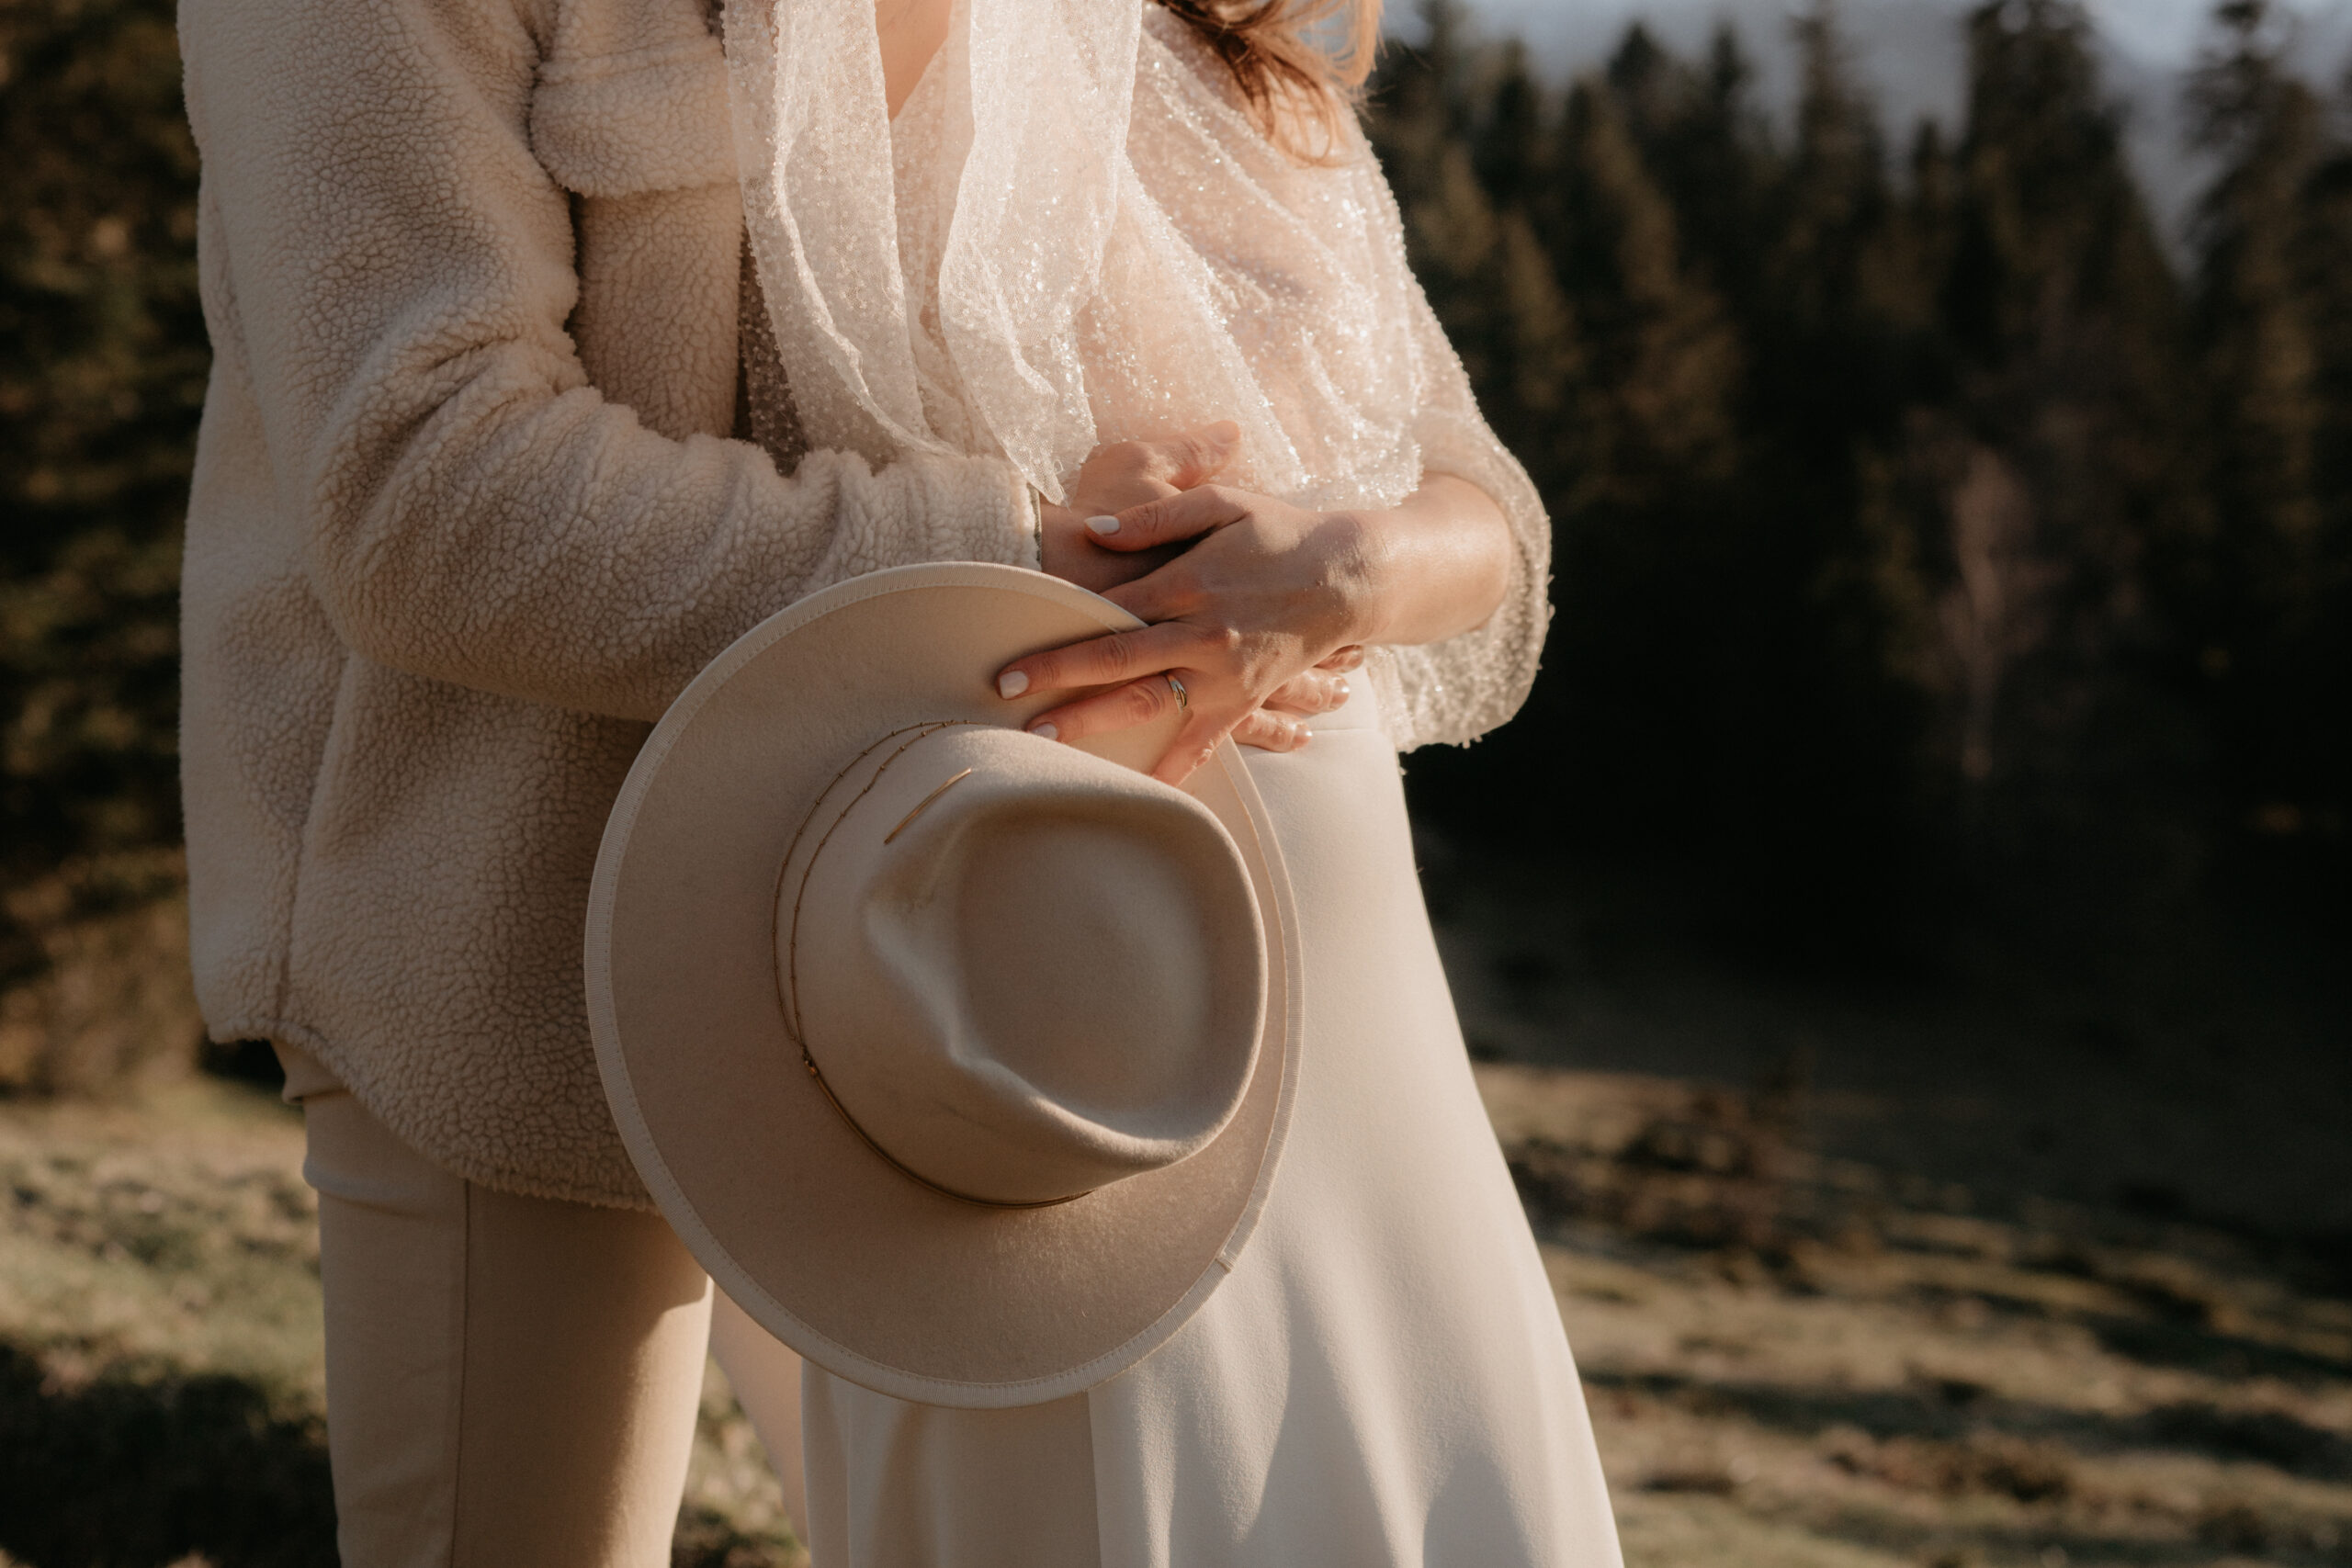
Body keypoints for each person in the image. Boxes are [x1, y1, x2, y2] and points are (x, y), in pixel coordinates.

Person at [174, 0, 1623, 1556]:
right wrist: (1018, 562)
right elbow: (426, 494)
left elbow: (1456, 473)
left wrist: (1353, 567)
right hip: (529, 930)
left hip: (1043, 982)